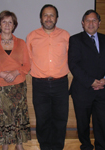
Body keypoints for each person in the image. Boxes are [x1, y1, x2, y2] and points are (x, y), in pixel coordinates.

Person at [0, 10, 31, 150]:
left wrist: (16, 72)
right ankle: (5, 145)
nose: (7, 24)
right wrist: (3, 74)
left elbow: (27, 65)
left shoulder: (21, 43)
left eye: (10, 22)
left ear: (14, 25)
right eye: (4, 21)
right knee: (4, 119)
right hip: (0, 87)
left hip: (18, 86)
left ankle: (19, 144)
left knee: (18, 117)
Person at [26, 4, 70, 150]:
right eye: (45, 15)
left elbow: (71, 58)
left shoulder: (65, 36)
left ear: (56, 18)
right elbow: (28, 59)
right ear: (40, 18)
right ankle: (44, 147)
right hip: (40, 85)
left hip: (60, 84)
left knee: (60, 119)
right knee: (42, 119)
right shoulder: (32, 36)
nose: (48, 18)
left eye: (52, 15)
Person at [68, 9, 105, 150]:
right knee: (83, 124)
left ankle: (101, 147)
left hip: (101, 90)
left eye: (94, 20)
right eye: (88, 20)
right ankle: (86, 147)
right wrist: (91, 81)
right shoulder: (75, 39)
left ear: (99, 23)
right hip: (82, 90)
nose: (91, 23)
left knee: (102, 122)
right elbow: (73, 65)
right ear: (82, 23)